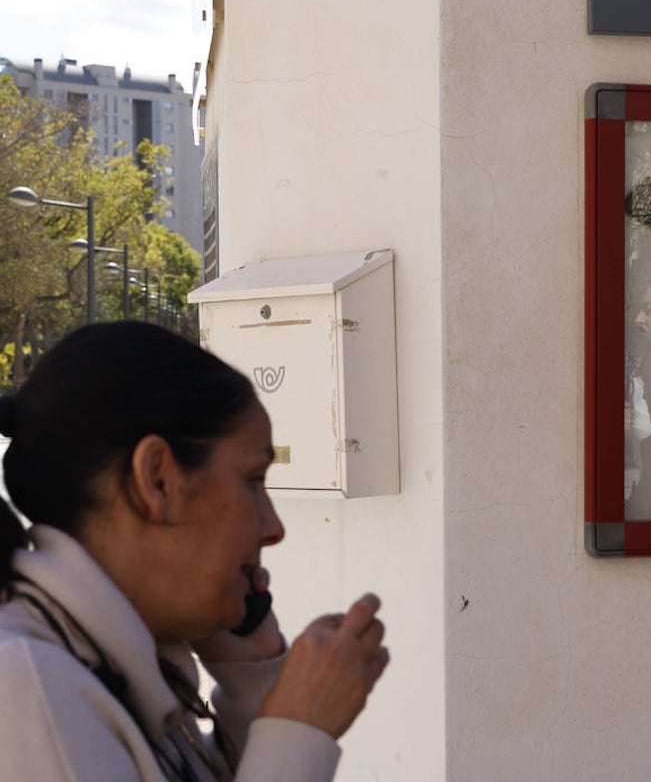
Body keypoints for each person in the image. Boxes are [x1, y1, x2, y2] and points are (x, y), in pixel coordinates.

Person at [0, 321, 389, 781]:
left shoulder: (109, 664)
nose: (273, 528)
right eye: (252, 481)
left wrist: (253, 687)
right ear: (158, 479)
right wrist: (296, 733)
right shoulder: (29, 689)